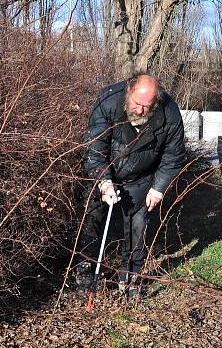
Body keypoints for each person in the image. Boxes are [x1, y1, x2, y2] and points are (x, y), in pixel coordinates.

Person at [75, 72, 185, 299]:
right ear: (129, 92)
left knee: (137, 228)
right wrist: (103, 181)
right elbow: (94, 147)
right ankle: (87, 275)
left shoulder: (169, 112)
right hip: (105, 172)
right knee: (92, 220)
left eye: (147, 106)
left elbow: (173, 155)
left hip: (142, 176)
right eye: (137, 104)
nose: (141, 110)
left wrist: (158, 188)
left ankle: (131, 279)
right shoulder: (109, 99)